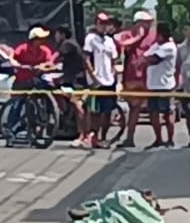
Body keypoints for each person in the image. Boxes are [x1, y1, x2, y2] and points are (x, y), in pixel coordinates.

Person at [115, 11, 157, 148]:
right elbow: (121, 43)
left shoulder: (153, 37)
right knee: (134, 108)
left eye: (149, 23)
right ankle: (130, 138)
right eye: (145, 23)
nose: (147, 26)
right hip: (132, 77)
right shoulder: (128, 34)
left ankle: (160, 139)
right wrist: (138, 37)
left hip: (149, 77)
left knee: (154, 108)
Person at [6, 26, 56, 138]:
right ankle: (10, 128)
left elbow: (50, 62)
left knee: (43, 100)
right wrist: (17, 65)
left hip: (36, 81)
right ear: (34, 40)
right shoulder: (23, 49)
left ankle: (43, 122)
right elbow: (12, 58)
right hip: (21, 82)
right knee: (17, 104)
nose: (43, 41)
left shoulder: (45, 50)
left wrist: (42, 66)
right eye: (40, 38)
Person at [81, 14, 120, 147]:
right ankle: (94, 136)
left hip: (109, 80)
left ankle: (103, 137)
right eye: (101, 23)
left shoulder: (110, 41)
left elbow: (114, 59)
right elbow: (86, 58)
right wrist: (93, 77)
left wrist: (114, 73)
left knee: (108, 111)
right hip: (97, 81)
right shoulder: (91, 38)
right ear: (96, 23)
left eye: (106, 23)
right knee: (95, 111)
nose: (104, 26)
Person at [52, 25, 91, 148]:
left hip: (76, 80)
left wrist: (46, 64)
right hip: (73, 78)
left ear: (62, 34)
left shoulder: (67, 44)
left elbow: (55, 57)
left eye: (57, 34)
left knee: (77, 105)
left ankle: (82, 135)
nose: (55, 37)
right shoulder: (71, 44)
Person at [143, 24, 178, 148]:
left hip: (165, 85)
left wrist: (145, 59)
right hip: (152, 85)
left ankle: (170, 140)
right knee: (153, 113)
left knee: (167, 114)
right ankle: (158, 139)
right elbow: (145, 55)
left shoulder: (170, 47)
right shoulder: (156, 45)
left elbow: (153, 59)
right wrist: (145, 58)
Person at [176, 26, 190, 148]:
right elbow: (178, 66)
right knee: (188, 114)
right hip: (185, 84)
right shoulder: (180, 48)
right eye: (188, 30)